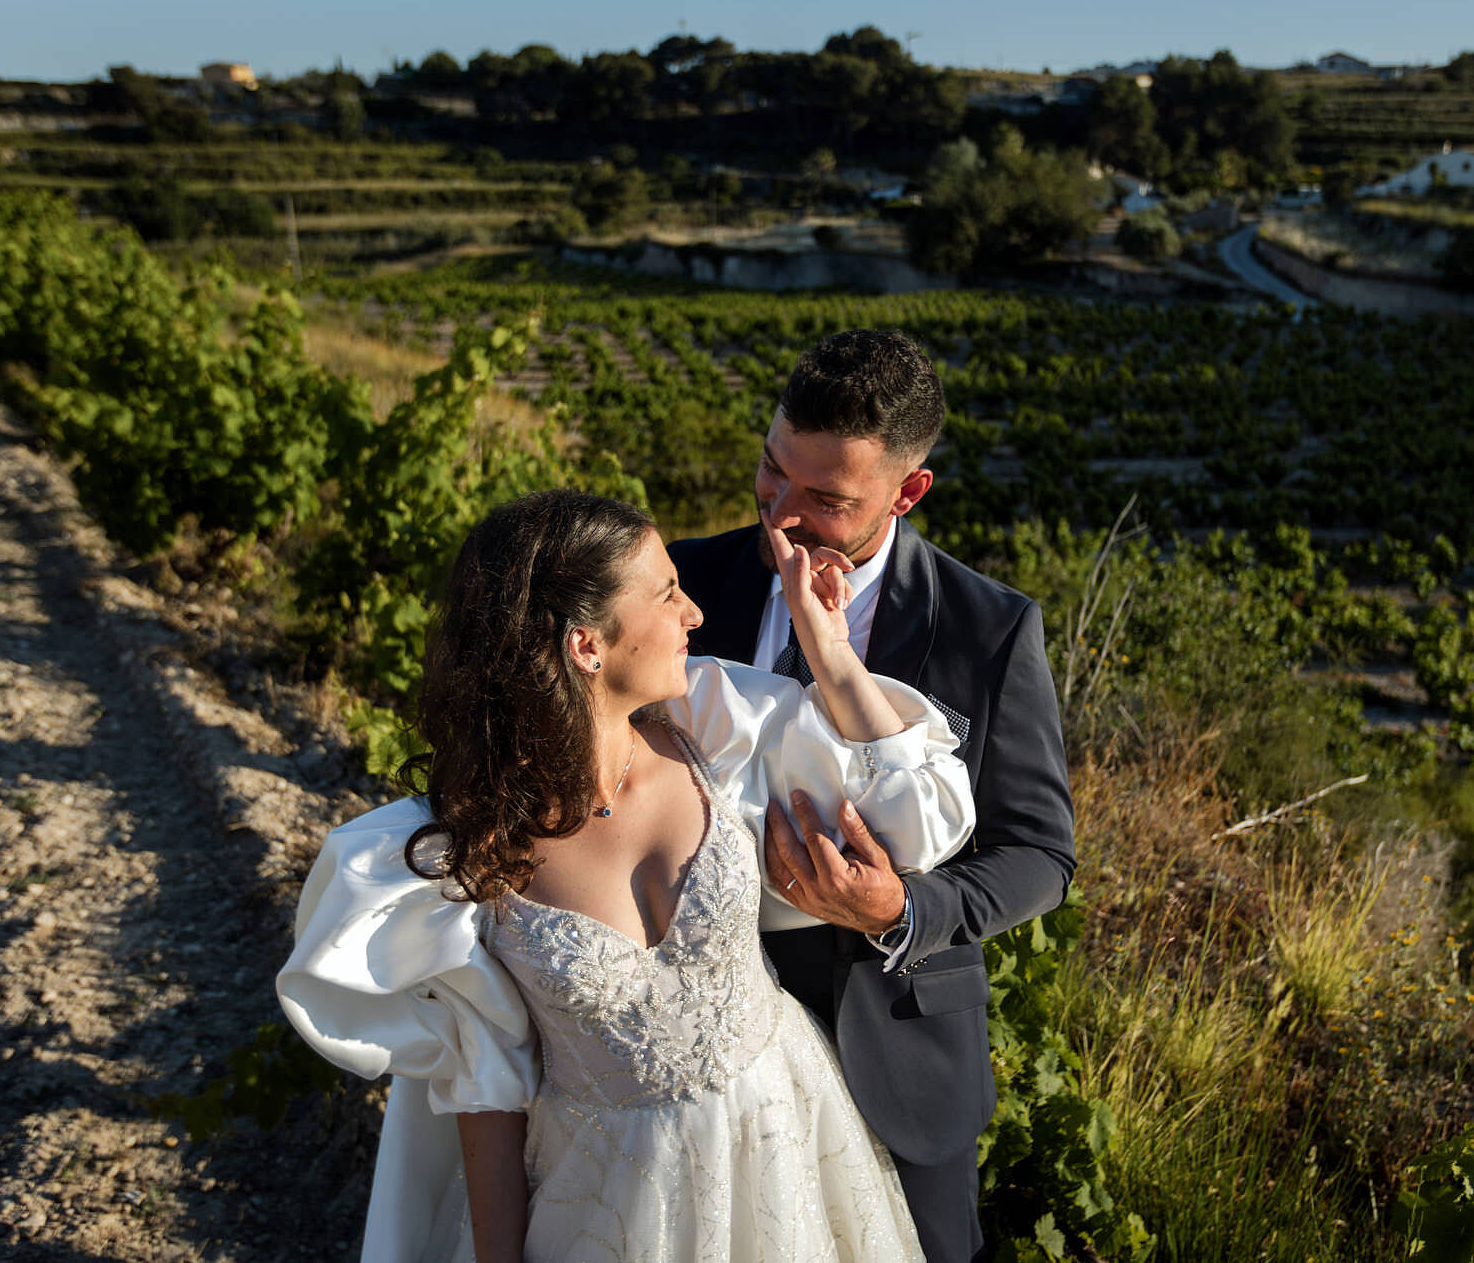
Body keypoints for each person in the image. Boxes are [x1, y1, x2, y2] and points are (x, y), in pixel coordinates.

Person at [276, 488, 980, 1262]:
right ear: (587, 645)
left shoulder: (717, 729)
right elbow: (488, 1098)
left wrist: (830, 650)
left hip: (787, 1154)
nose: (695, 613)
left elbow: (923, 816)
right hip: (603, 1208)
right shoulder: (468, 855)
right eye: (667, 593)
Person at [667, 329, 1078, 1263]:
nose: (784, 511)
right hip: (701, 1036)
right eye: (774, 471)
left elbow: (1042, 856)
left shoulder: (991, 630)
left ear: (908, 491)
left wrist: (901, 907)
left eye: (826, 499)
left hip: (895, 1045)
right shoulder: (683, 581)